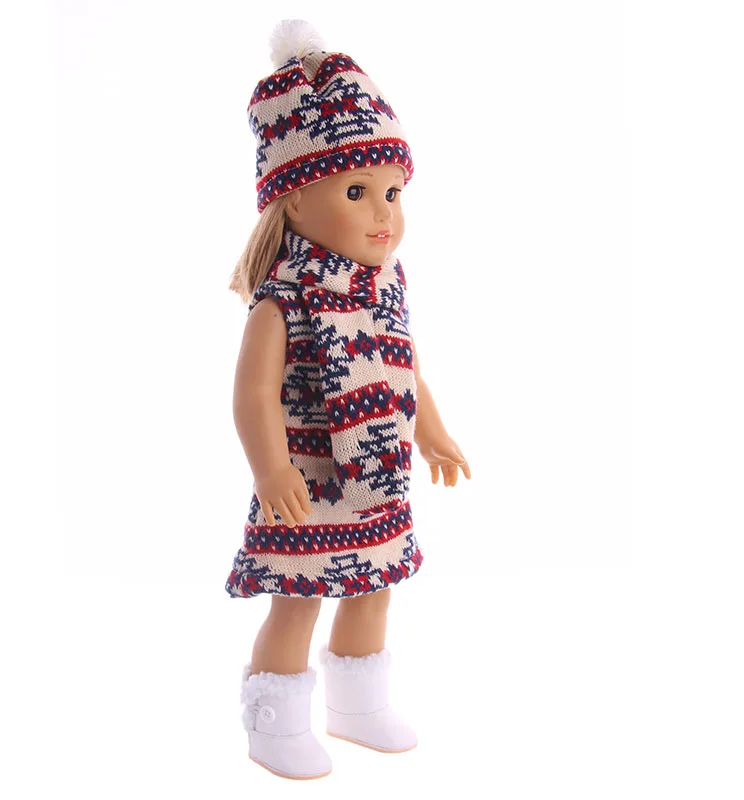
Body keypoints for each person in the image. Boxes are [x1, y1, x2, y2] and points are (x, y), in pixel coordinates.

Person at [224, 19, 471, 780]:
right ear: (294, 201)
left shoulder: (385, 287)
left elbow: (404, 369)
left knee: (376, 587)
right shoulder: (283, 301)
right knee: (299, 597)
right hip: (306, 483)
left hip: (378, 479)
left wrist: (432, 430)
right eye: (357, 192)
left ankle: (358, 708)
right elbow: (252, 394)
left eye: (393, 192)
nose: (383, 214)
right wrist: (271, 470)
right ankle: (273, 722)